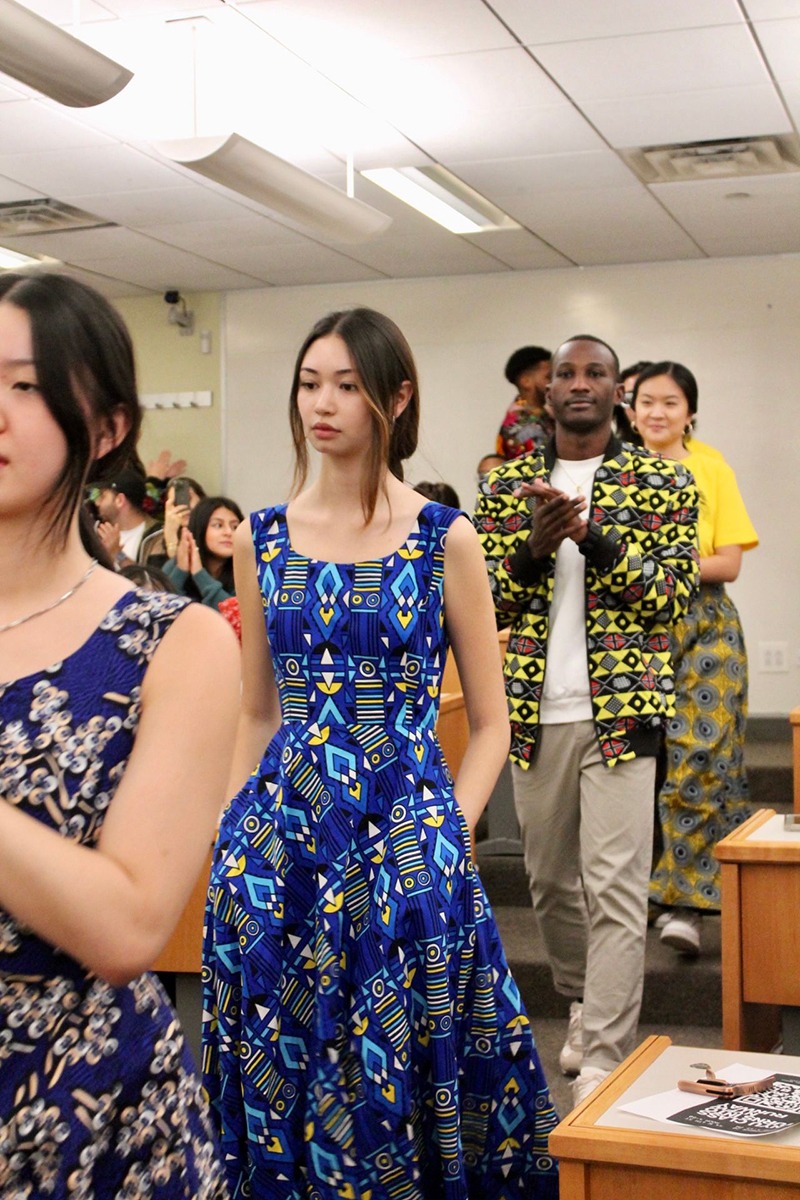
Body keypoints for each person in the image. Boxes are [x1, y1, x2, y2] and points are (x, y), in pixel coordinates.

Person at [202, 307, 559, 1198]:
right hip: (279, 848)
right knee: (280, 1065)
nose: (322, 404)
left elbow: (493, 723)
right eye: (309, 382)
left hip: (405, 837)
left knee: (398, 1063)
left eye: (347, 386)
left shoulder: (447, 538)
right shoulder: (262, 536)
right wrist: (229, 829)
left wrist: (447, 831)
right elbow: (256, 710)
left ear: (394, 399)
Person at [0, 272, 240, 1195]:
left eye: (24, 385)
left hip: (78, 1110)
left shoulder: (169, 642)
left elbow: (129, 924)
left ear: (104, 428)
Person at [474, 334, 699, 1106]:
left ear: (617, 394)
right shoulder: (506, 489)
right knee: (546, 880)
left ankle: (603, 1051)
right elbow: (490, 605)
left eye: (595, 373)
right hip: (535, 710)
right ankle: (580, 997)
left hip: (624, 707)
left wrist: (590, 536)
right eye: (565, 373)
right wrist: (536, 550)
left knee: (615, 884)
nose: (578, 384)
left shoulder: (664, 482)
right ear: (547, 395)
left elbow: (670, 597)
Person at [630, 362, 758, 955]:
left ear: (690, 412)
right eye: (646, 401)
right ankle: (645, 895)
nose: (657, 412)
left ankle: (688, 904)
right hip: (628, 630)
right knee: (637, 766)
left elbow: (727, 561)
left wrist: (651, 570)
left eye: (670, 402)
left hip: (704, 624)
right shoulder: (613, 471)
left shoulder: (711, 467)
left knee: (700, 756)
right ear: (629, 410)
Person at [163, 495, 243, 608]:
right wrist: (181, 571)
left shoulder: (246, 571)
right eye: (218, 525)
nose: (228, 532)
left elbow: (234, 615)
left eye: (235, 527)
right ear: (200, 528)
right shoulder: (175, 566)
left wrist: (199, 574)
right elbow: (163, 609)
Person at [496, 345, 553, 460]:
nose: (554, 382)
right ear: (525, 381)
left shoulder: (541, 413)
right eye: (548, 377)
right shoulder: (521, 423)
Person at [139, 474, 206, 567]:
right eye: (175, 503)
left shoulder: (212, 532)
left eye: (188, 498)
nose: (183, 506)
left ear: (202, 500)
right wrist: (171, 534)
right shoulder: (155, 536)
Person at [95, 468, 157, 567]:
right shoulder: (96, 531)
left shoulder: (156, 536)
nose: (97, 503)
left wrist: (118, 554)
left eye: (102, 496)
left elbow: (150, 580)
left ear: (120, 500)